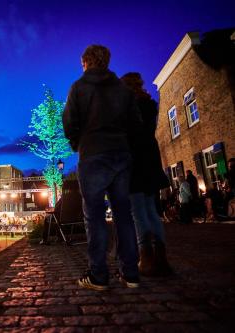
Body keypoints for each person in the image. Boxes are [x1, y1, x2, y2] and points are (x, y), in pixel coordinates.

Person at [63, 45, 142, 290]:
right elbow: (136, 125)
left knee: (94, 216)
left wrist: (79, 143)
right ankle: (130, 273)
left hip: (93, 155)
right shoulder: (124, 90)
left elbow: (69, 122)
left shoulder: (78, 87)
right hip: (120, 155)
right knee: (123, 214)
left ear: (85, 62)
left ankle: (98, 275)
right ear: (107, 62)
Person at [121, 72, 173, 277]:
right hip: (150, 159)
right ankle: (162, 258)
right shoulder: (150, 104)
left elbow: (127, 135)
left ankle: (147, 258)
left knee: (138, 212)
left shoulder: (128, 108)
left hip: (134, 161)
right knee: (152, 210)